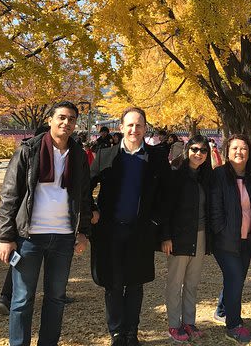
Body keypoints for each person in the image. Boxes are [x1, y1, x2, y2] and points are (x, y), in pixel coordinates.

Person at [0, 100, 93, 346]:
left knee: (56, 298)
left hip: (63, 236)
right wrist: (6, 238)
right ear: (50, 120)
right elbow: (10, 194)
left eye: (71, 119)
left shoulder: (79, 155)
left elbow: (83, 196)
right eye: (61, 117)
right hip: (30, 236)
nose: (66, 123)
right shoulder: (29, 149)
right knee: (21, 299)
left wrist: (83, 232)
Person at [90, 107, 170, 346]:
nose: (134, 129)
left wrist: (155, 223)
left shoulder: (156, 156)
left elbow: (166, 195)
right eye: (130, 125)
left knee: (135, 284)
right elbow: (84, 186)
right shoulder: (106, 155)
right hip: (110, 230)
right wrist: (92, 209)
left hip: (141, 231)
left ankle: (131, 332)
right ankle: (116, 332)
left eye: (139, 125)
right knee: (113, 284)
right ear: (121, 127)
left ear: (145, 128)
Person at [210, 134, 251, 344]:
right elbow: (215, 209)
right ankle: (234, 325)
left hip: (246, 240)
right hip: (225, 241)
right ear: (227, 151)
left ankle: (222, 309)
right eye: (234, 148)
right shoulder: (219, 175)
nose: (239, 152)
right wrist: (221, 231)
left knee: (237, 280)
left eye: (243, 148)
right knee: (234, 279)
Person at [160, 135, 213, 342]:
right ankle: (174, 324)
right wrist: (166, 236)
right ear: (187, 150)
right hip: (179, 236)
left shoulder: (206, 177)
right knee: (175, 283)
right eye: (194, 149)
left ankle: (189, 322)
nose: (198, 154)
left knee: (192, 282)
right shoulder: (176, 176)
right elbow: (166, 208)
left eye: (203, 150)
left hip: (200, 236)